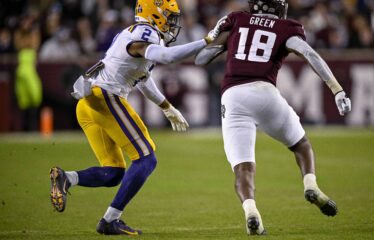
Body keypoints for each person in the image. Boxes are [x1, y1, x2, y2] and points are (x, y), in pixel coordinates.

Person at [49, 0, 226, 235]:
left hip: (88, 103)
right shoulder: (146, 32)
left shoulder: (133, 33)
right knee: (146, 159)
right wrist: (205, 40)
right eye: (170, 17)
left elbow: (142, 78)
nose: (173, 24)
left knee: (113, 173)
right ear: (156, 14)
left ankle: (66, 178)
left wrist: (166, 106)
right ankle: (110, 220)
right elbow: (168, 56)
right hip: (105, 97)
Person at [195, 0, 351, 235]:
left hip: (233, 96)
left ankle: (251, 212)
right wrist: (336, 88)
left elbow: (201, 59)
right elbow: (309, 53)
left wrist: (216, 37)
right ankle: (310, 184)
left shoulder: (236, 20)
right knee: (301, 145)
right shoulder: (287, 27)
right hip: (264, 91)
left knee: (242, 167)